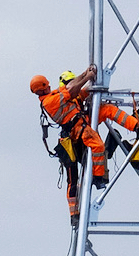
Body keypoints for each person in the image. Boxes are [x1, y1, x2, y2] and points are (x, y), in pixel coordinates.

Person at [31, 64, 109, 224]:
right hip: (73, 135)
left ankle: (78, 210)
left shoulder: (52, 95)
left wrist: (86, 75)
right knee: (74, 177)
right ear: (44, 86)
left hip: (74, 136)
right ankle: (96, 182)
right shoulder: (50, 101)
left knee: (76, 176)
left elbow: (73, 88)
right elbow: (72, 90)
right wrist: (87, 77)